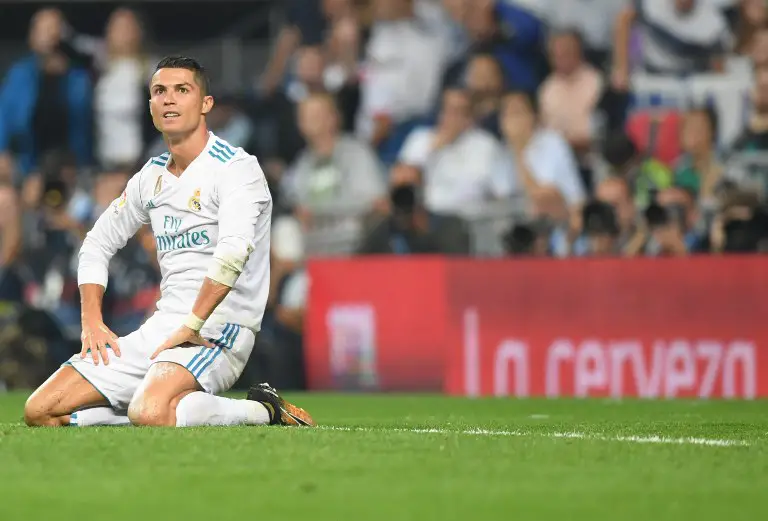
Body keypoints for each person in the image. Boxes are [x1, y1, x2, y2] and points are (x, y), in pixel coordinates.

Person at [23, 56, 315, 428]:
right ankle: (150, 404)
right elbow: (96, 244)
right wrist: (91, 321)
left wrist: (193, 323)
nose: (169, 100)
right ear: (150, 105)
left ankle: (262, 410)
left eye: (182, 90)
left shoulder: (236, 169)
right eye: (159, 91)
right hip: (161, 327)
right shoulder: (150, 177)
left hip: (218, 328)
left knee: (150, 411)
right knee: (41, 410)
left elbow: (233, 252)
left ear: (205, 104)